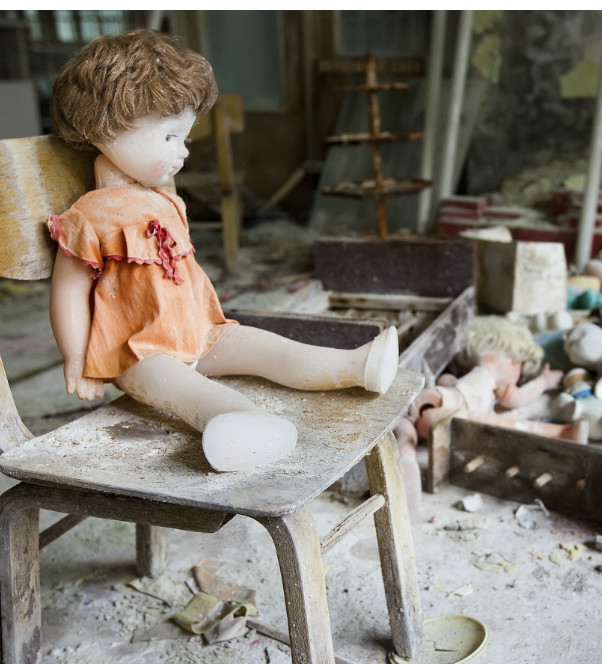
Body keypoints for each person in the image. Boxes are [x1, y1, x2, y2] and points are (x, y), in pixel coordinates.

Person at [47, 30, 399, 472]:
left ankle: (354, 365)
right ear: (106, 125)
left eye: (185, 140)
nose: (182, 154)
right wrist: (77, 359)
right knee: (189, 392)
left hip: (201, 332)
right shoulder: (88, 217)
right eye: (170, 137)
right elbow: (68, 292)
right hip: (137, 355)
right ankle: (239, 422)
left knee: (266, 347)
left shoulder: (165, 200)